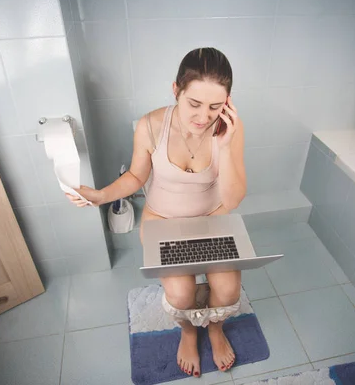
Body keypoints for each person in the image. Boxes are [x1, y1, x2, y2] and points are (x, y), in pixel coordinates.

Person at [66, 47, 246, 378]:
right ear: (176, 89)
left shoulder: (228, 130)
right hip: (162, 221)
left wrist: (223, 145)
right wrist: (101, 195)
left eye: (215, 106)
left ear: (228, 102)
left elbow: (233, 199)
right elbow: (136, 176)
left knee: (229, 290)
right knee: (180, 293)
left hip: (212, 220)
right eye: (194, 103)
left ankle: (216, 328)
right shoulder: (151, 125)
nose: (203, 117)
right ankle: (190, 332)